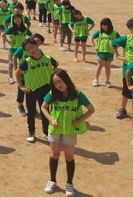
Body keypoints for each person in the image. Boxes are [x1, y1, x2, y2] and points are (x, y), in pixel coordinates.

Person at [41, 69, 95, 197]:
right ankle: (52, 180)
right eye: (55, 83)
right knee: (54, 154)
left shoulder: (78, 95)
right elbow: (43, 107)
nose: (58, 85)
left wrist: (80, 120)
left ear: (67, 80)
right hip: (54, 130)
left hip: (70, 131)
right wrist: (51, 119)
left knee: (69, 157)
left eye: (60, 81)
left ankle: (69, 184)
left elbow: (91, 109)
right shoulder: (52, 94)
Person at [15, 37, 58, 143]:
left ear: (36, 45)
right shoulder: (27, 62)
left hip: (46, 89)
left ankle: (46, 133)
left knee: (45, 112)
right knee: (31, 112)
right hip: (31, 91)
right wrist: (21, 86)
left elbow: (56, 65)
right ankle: (31, 132)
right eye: (27, 50)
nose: (31, 50)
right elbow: (17, 73)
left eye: (32, 47)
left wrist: (52, 76)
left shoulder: (47, 58)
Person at [3, 15, 32, 84]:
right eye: (15, 19)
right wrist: (8, 42)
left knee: (22, 63)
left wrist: (27, 42)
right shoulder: (11, 28)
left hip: (22, 49)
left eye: (18, 18)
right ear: (13, 21)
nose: (17, 20)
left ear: (21, 19)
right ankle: (10, 77)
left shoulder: (24, 29)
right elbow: (3, 35)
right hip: (13, 49)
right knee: (11, 63)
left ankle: (23, 77)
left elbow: (31, 35)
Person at [90, 18, 119, 87]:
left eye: (105, 25)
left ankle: (107, 80)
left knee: (107, 66)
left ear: (109, 25)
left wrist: (115, 49)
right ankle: (96, 80)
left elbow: (120, 42)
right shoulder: (99, 32)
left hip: (109, 53)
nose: (103, 27)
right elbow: (91, 38)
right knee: (99, 65)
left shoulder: (115, 33)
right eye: (102, 25)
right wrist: (94, 46)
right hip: (100, 52)